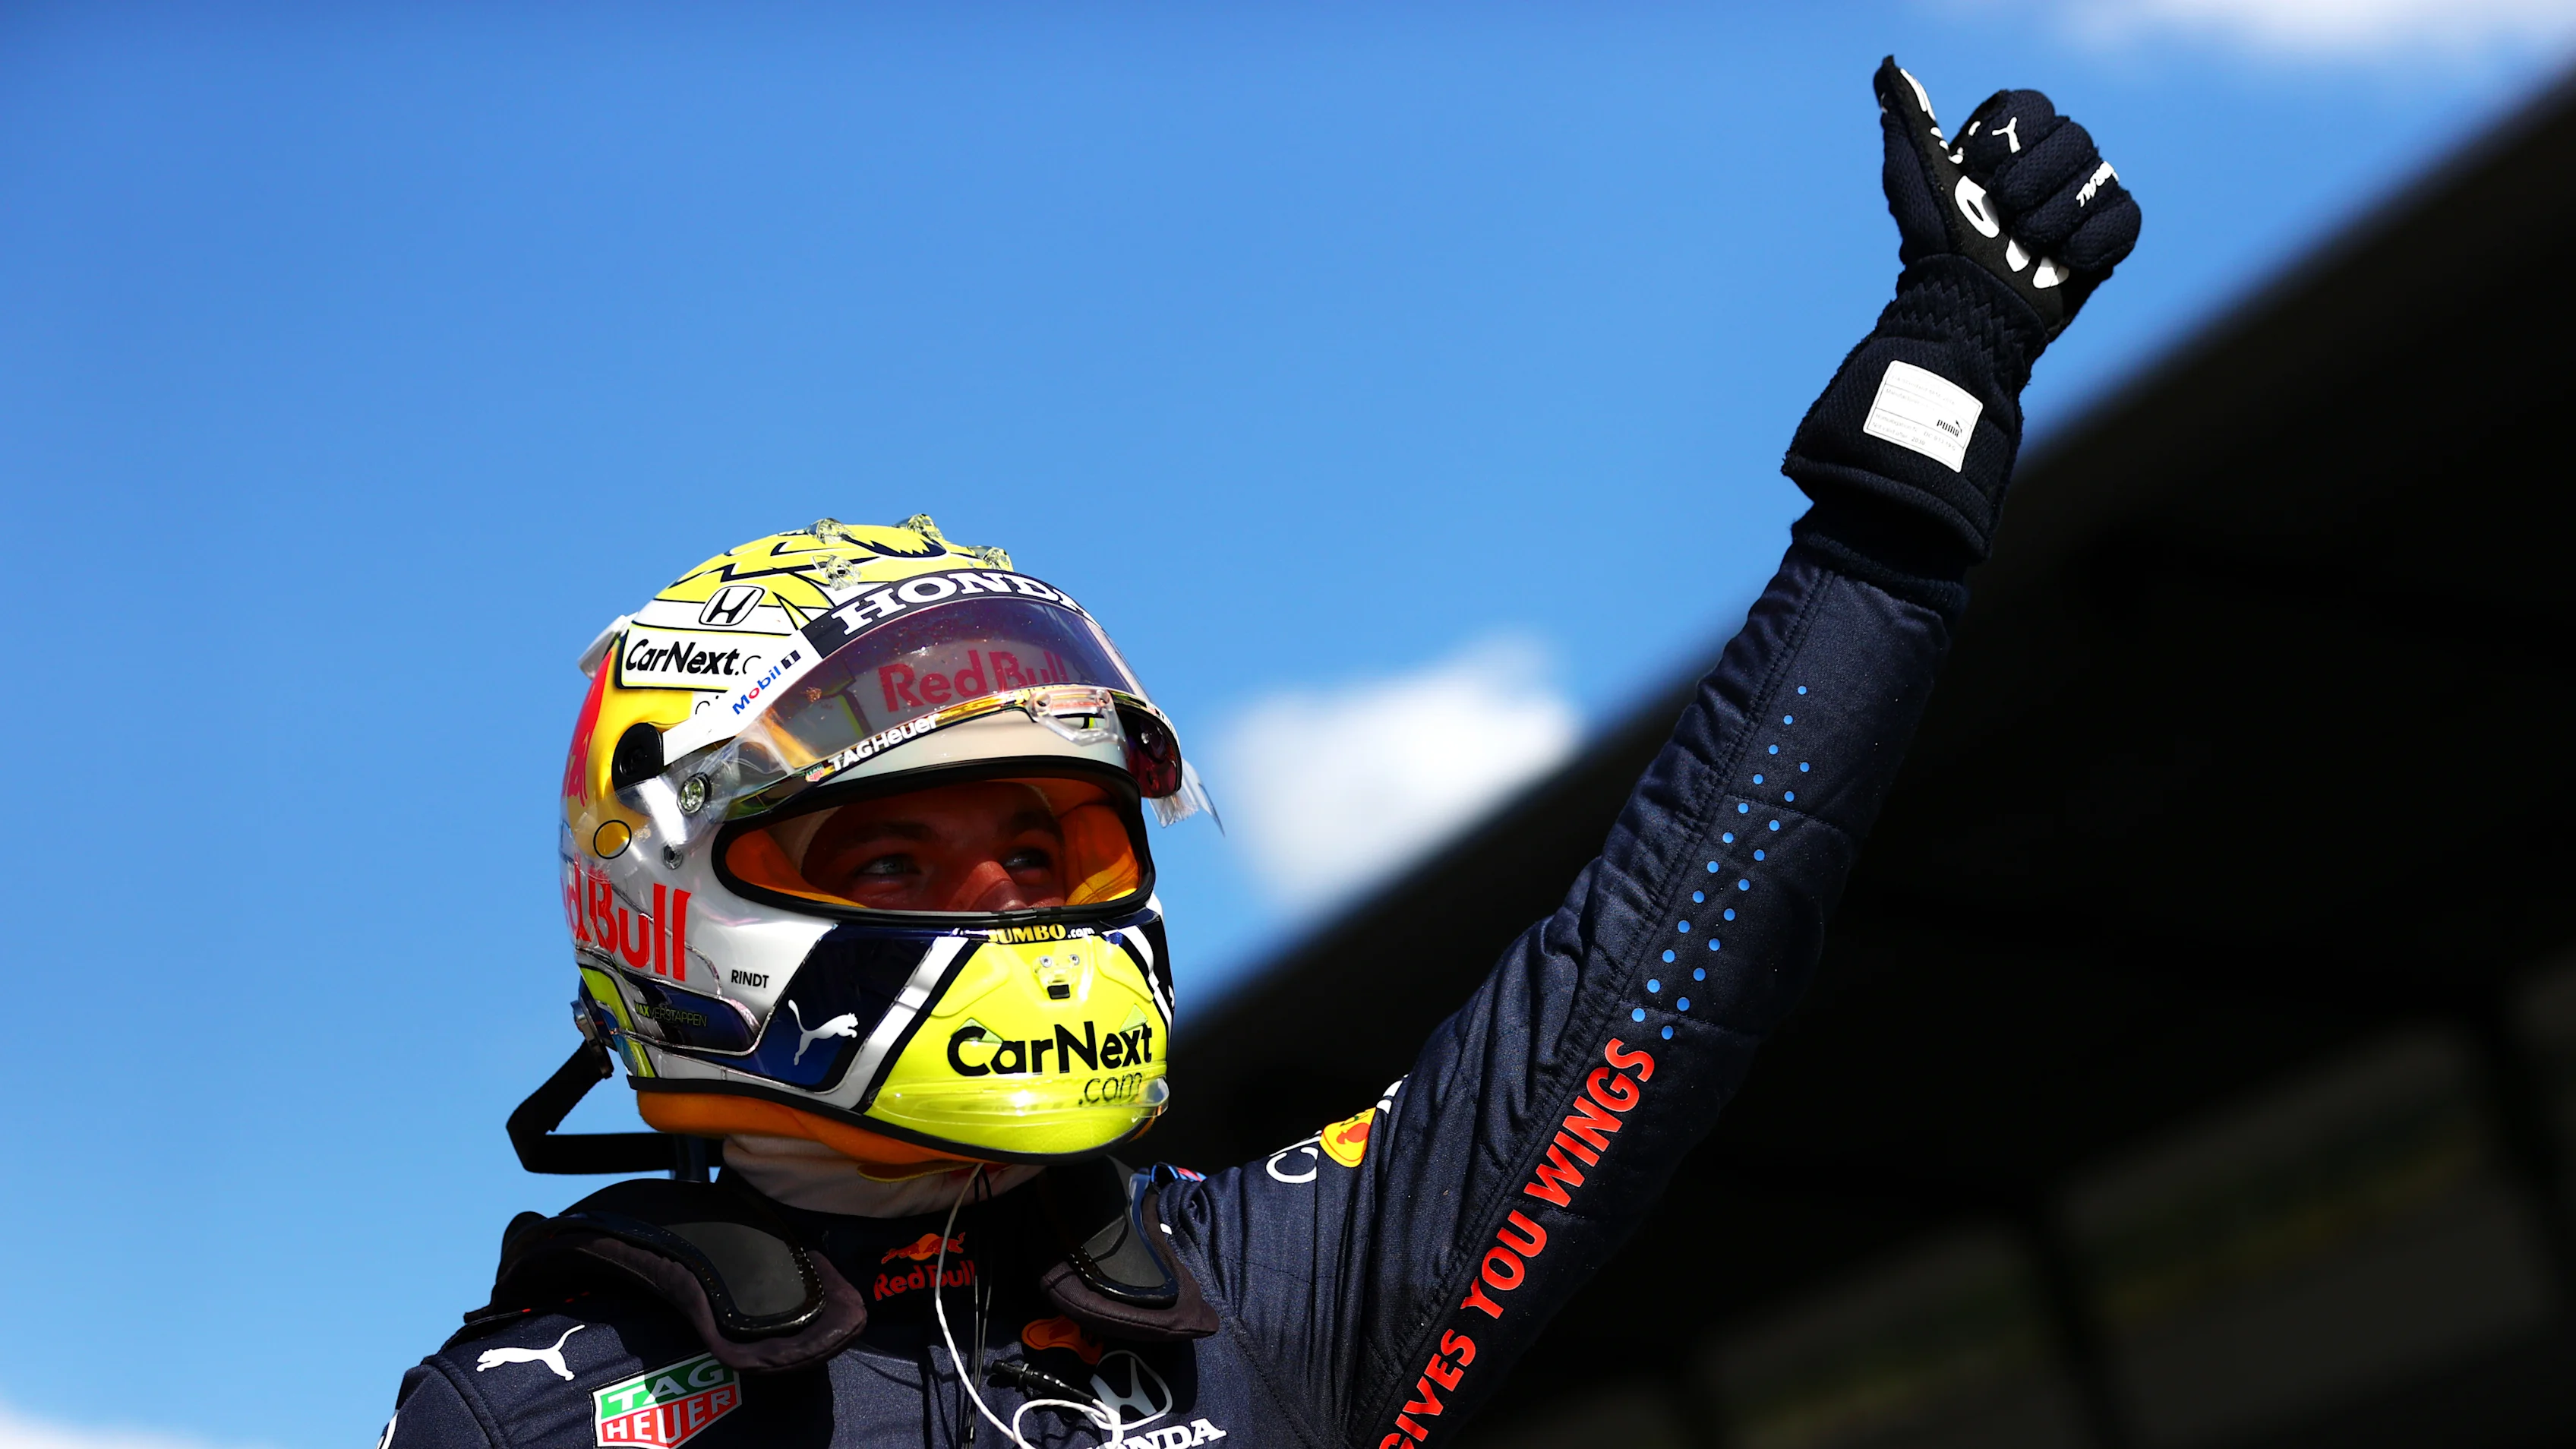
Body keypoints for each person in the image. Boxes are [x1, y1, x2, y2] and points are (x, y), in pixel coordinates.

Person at [384, 58, 2140, 1449]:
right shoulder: (527, 1414)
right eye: (899, 858)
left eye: (1045, 847)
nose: (1007, 907)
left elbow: (1659, 962)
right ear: (666, 910)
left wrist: (1920, 447)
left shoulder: (1250, 1293)